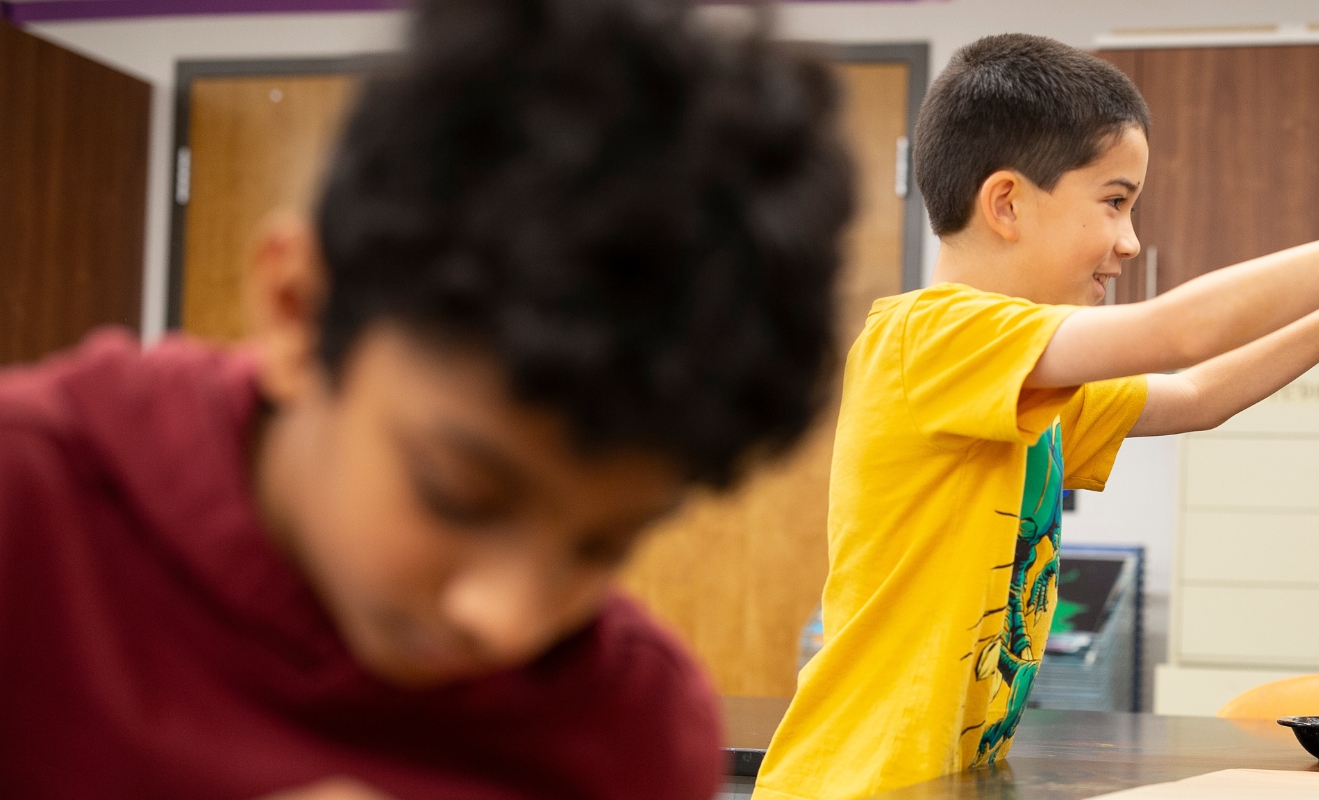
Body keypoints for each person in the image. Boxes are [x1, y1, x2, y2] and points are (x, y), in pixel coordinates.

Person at [0, 0, 852, 797]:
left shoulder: (634, 729)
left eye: (603, 544)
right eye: (458, 494)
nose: (508, 621)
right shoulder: (30, 514)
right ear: (300, 310)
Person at [753, 34, 1319, 800]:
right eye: (1114, 201)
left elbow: (1197, 395)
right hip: (854, 784)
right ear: (1007, 202)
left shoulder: (1024, 376)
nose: (1130, 239)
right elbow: (1183, 332)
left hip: (945, 782)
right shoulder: (927, 339)